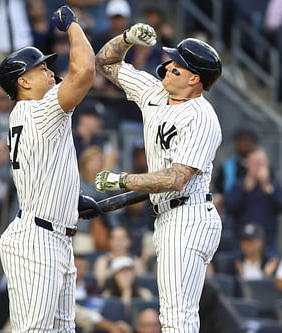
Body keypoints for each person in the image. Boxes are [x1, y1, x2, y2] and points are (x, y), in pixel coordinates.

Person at [93, 23, 223, 332]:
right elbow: (105, 63)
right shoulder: (154, 90)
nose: (169, 66)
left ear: (194, 78)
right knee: (174, 313)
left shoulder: (202, 117)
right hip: (168, 216)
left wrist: (122, 180)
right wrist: (126, 39)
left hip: (189, 214)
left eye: (178, 65)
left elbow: (177, 178)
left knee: (179, 316)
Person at [0, 5, 98, 331]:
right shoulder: (37, 111)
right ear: (22, 81)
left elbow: (42, 169)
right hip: (37, 239)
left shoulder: (29, 115)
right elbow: (84, 72)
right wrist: (72, 25)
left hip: (52, 234)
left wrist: (70, 200)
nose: (51, 73)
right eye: (42, 69)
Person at [225, 147, 282, 256]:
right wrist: (245, 190)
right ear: (248, 164)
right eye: (254, 163)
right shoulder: (239, 185)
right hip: (242, 240)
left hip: (268, 240)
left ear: (266, 165)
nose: (257, 167)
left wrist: (267, 187)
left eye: (261, 163)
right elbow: (230, 208)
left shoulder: (274, 186)